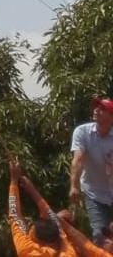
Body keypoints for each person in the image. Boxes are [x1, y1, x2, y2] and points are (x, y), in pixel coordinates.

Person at [8, 159, 76, 257]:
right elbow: (53, 218)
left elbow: (15, 216)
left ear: (39, 242)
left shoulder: (28, 251)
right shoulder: (67, 250)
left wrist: (14, 181)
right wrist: (32, 190)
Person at [71, 98, 113, 243]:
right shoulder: (82, 132)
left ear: (111, 116)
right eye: (96, 107)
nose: (96, 110)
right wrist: (74, 186)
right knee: (99, 235)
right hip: (94, 192)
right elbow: (78, 159)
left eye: (102, 109)